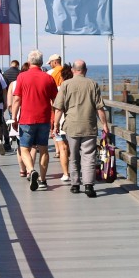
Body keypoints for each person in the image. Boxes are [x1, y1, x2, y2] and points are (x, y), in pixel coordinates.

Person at [52, 59, 109, 197]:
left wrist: (56, 125)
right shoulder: (92, 84)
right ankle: (89, 185)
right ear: (86, 70)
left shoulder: (65, 84)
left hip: (71, 126)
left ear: (73, 70)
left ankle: (75, 184)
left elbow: (59, 108)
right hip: (89, 125)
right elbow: (99, 108)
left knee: (74, 155)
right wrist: (105, 124)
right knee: (89, 155)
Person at [9, 50, 57, 191]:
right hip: (44, 118)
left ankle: (30, 170)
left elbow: (17, 99)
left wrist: (13, 118)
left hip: (26, 119)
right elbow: (55, 101)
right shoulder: (48, 78)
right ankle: (42, 180)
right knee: (43, 150)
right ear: (41, 62)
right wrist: (54, 119)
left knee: (24, 149)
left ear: (29, 62)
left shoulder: (22, 77)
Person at [52, 63, 74, 181]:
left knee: (63, 148)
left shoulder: (59, 89)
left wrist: (55, 124)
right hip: (74, 122)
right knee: (74, 148)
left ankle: (66, 174)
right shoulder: (76, 87)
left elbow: (56, 107)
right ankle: (76, 171)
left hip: (60, 122)